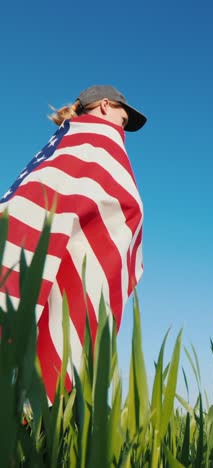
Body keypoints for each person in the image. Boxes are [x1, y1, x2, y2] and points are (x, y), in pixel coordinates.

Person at [0, 85, 146, 402]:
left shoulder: (63, 144)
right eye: (124, 117)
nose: (124, 127)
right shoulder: (96, 142)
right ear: (106, 105)